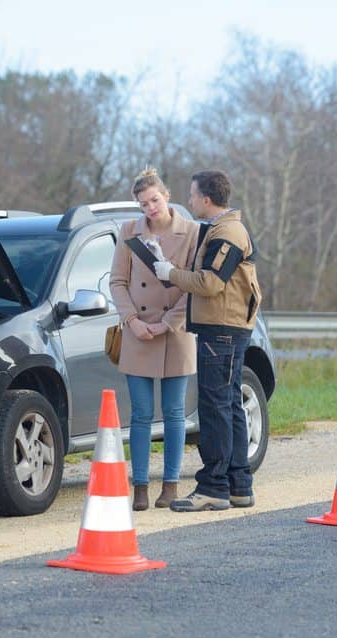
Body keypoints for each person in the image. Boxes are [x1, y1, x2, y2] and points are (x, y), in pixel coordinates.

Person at [154, 169, 262, 511]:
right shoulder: (220, 229)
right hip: (225, 328)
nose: (188, 201)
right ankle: (238, 485)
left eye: (191, 195)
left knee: (215, 407)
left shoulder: (228, 233)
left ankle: (213, 487)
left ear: (206, 198)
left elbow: (212, 282)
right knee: (229, 405)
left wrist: (170, 275)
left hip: (222, 331)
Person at [109, 168, 199, 510]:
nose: (150, 208)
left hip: (174, 333)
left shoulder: (190, 233)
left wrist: (168, 323)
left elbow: (194, 285)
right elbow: (117, 281)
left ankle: (172, 485)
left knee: (175, 412)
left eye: (154, 200)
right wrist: (131, 320)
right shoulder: (129, 232)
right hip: (138, 333)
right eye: (143, 203)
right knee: (141, 413)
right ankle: (141, 486)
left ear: (167, 196)